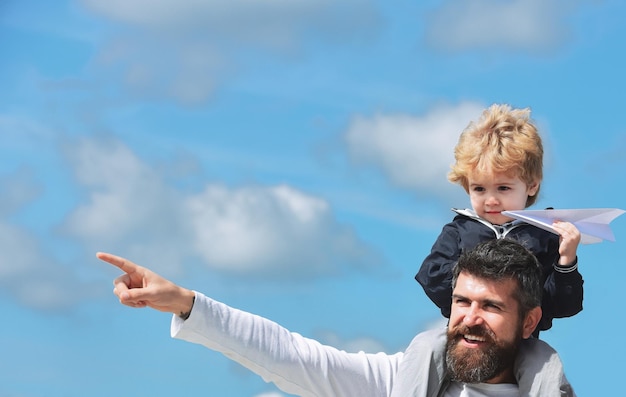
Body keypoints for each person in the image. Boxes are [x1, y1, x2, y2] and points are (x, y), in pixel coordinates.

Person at [100, 239, 575, 396]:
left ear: (529, 321)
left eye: (491, 306)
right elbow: (289, 355)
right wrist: (188, 303)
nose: (470, 318)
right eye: (462, 301)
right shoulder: (403, 380)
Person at [416, 104, 584, 335]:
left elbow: (564, 305)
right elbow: (432, 277)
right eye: (479, 189)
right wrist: (486, 285)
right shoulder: (459, 231)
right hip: (466, 338)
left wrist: (566, 260)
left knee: (547, 364)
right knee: (425, 347)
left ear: (532, 185)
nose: (491, 200)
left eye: (503, 188)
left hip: (523, 344)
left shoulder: (544, 234)